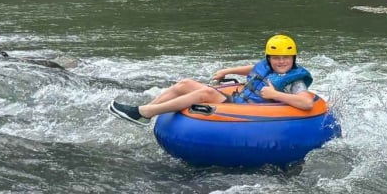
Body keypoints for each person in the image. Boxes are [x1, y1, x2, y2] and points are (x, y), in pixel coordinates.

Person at [108, 34, 316, 124]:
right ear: (269, 58)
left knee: (205, 93)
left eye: (286, 58)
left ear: (293, 58)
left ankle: (144, 112)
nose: (281, 62)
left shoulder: (294, 81)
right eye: (276, 58)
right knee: (185, 84)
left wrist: (274, 94)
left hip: (247, 112)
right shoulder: (267, 66)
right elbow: (252, 69)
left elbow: (306, 102)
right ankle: (146, 115)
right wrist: (227, 70)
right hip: (238, 100)